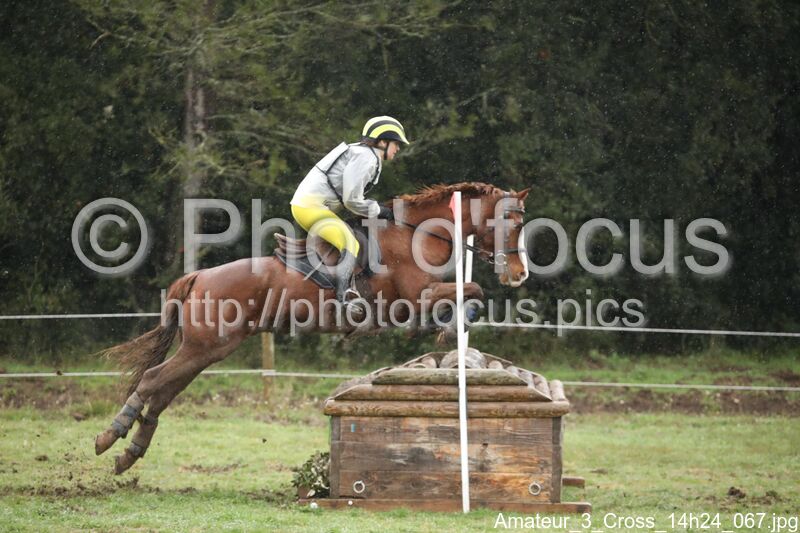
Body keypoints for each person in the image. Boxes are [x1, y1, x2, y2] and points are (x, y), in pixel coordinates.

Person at [290, 116, 409, 315]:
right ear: (382, 142)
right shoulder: (366, 158)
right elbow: (351, 200)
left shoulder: (364, 154)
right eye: (396, 143)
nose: (397, 148)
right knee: (350, 243)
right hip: (310, 207)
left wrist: (375, 209)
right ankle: (343, 297)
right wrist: (379, 210)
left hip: (312, 206)